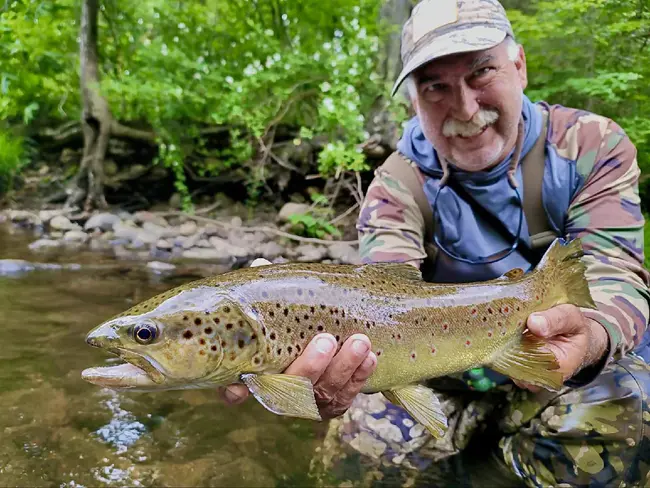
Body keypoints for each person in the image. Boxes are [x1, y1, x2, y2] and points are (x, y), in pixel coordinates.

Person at [220, 0, 650, 486]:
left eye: (481, 72)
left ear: (520, 66)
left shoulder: (591, 145)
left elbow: (615, 276)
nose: (465, 108)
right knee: (355, 461)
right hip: (438, 377)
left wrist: (591, 338)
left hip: (556, 368)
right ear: (414, 102)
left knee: (633, 411)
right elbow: (375, 303)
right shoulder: (395, 186)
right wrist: (298, 315)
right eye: (435, 86)